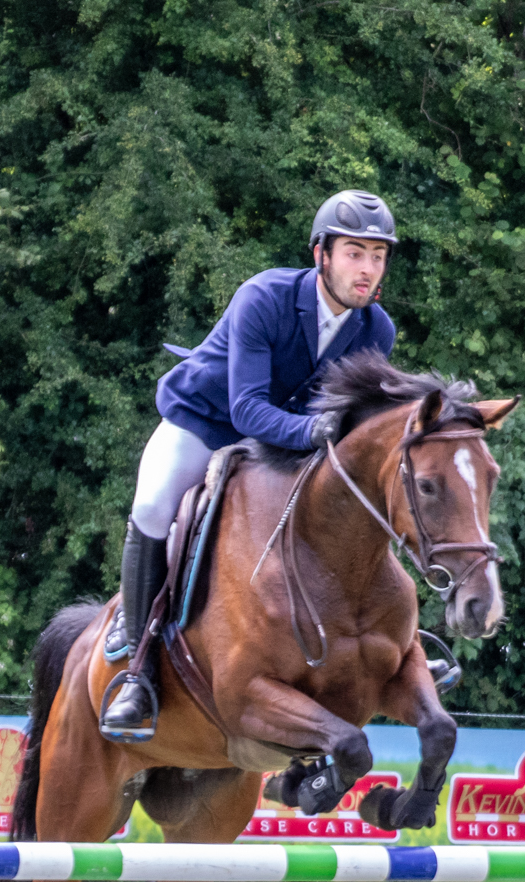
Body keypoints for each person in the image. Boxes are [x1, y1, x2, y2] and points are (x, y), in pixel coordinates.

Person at [98, 190, 399, 740]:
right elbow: (247, 409)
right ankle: (138, 665)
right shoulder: (264, 297)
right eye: (354, 253)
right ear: (321, 255)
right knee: (154, 505)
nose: (367, 269)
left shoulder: (376, 330)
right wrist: (313, 433)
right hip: (206, 421)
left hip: (285, 445)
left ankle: (394, 643)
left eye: (377, 256)